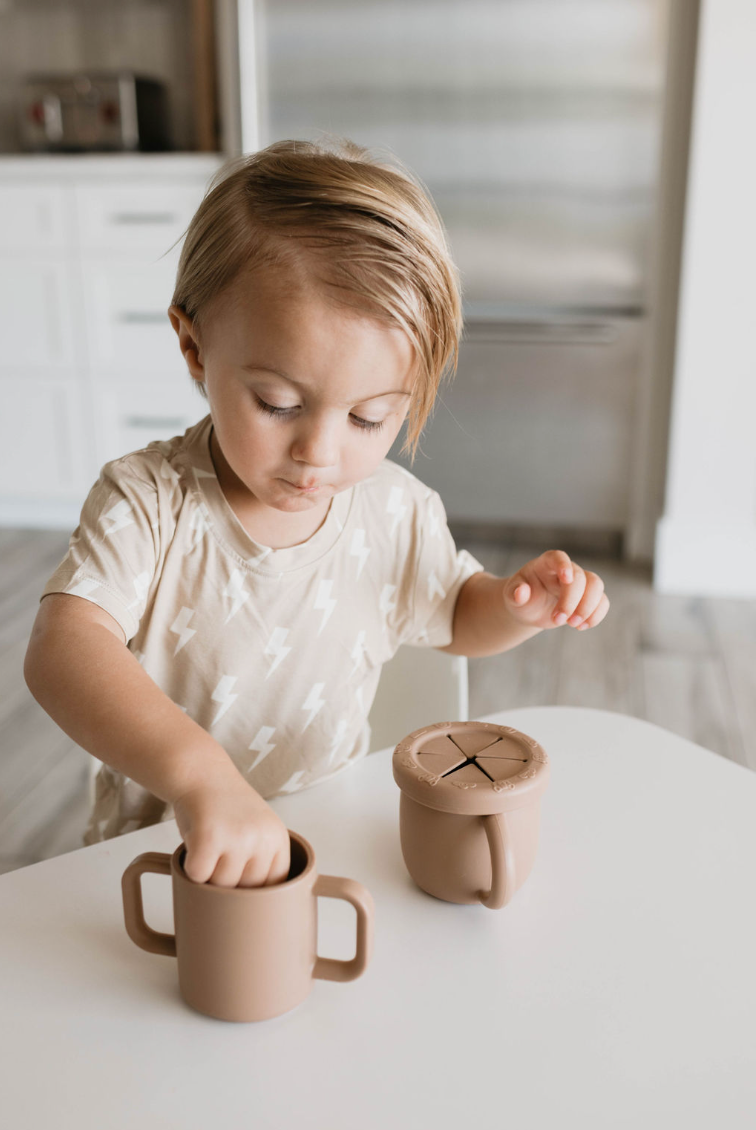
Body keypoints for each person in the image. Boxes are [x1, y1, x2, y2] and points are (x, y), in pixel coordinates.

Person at [23, 137, 609, 890]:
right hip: (164, 863)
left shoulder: (396, 513)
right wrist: (201, 777)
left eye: (368, 418)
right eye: (278, 404)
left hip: (325, 842)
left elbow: (458, 617)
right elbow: (62, 648)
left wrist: (515, 604)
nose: (318, 453)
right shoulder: (150, 501)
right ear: (195, 347)